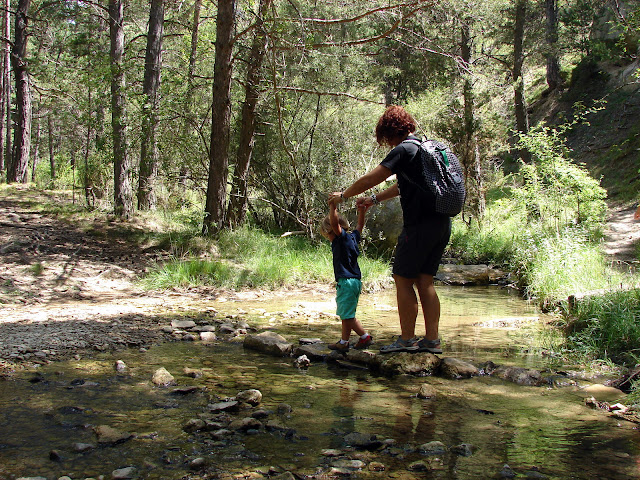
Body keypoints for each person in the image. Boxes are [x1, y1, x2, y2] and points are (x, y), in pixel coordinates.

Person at [328, 105, 450, 354]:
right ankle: (432, 341)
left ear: (390, 133)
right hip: (441, 223)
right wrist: (374, 200)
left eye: (386, 139)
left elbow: (372, 178)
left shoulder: (404, 149)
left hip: (419, 226)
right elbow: (402, 186)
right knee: (425, 280)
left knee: (402, 279)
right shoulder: (424, 149)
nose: (386, 144)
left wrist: (343, 195)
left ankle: (406, 340)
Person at [320, 199, 373, 352]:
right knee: (348, 313)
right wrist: (362, 211)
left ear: (332, 230)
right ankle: (364, 338)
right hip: (355, 282)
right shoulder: (352, 237)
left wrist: (333, 206)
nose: (328, 238)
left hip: (347, 282)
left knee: (346, 314)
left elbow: (335, 223)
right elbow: (360, 226)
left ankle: (344, 342)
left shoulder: (341, 238)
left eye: (328, 234)